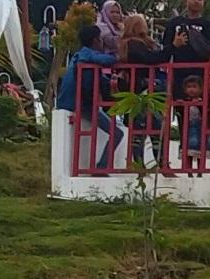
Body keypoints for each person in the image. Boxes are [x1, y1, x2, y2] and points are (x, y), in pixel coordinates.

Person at [55, 24, 124, 170]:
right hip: (79, 104)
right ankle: (102, 167)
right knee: (117, 133)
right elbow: (107, 60)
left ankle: (101, 166)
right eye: (100, 39)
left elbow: (99, 78)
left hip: (74, 102)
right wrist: (119, 56)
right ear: (95, 40)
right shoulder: (87, 54)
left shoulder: (80, 56)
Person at [118, 14, 175, 168]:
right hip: (143, 89)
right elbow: (151, 59)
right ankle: (150, 164)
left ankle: (145, 164)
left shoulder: (134, 43)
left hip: (140, 89)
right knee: (146, 127)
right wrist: (172, 47)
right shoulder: (133, 44)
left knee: (146, 128)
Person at [161, 0, 210, 93]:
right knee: (180, 106)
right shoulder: (174, 23)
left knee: (202, 108)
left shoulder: (208, 25)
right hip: (178, 74)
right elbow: (165, 48)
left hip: (200, 74)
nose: (196, 1)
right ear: (185, 0)